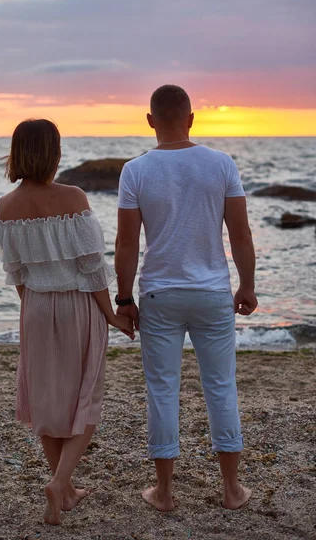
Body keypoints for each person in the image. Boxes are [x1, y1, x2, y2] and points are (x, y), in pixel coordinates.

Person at [0, 119, 133, 525]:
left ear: (16, 153)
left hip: (34, 307)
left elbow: (16, 273)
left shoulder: (6, 206)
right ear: (54, 153)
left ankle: (64, 491)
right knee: (86, 397)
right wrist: (112, 315)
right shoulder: (73, 196)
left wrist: (33, 307)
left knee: (48, 398)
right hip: (79, 307)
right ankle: (60, 481)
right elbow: (91, 268)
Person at [115, 85, 257, 512]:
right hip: (212, 292)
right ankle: (232, 489)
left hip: (160, 291)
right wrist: (246, 285)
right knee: (221, 385)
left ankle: (165, 492)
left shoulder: (134, 170)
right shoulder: (221, 163)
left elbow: (126, 244)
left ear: (150, 120)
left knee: (162, 389)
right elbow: (240, 233)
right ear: (192, 118)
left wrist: (123, 299)